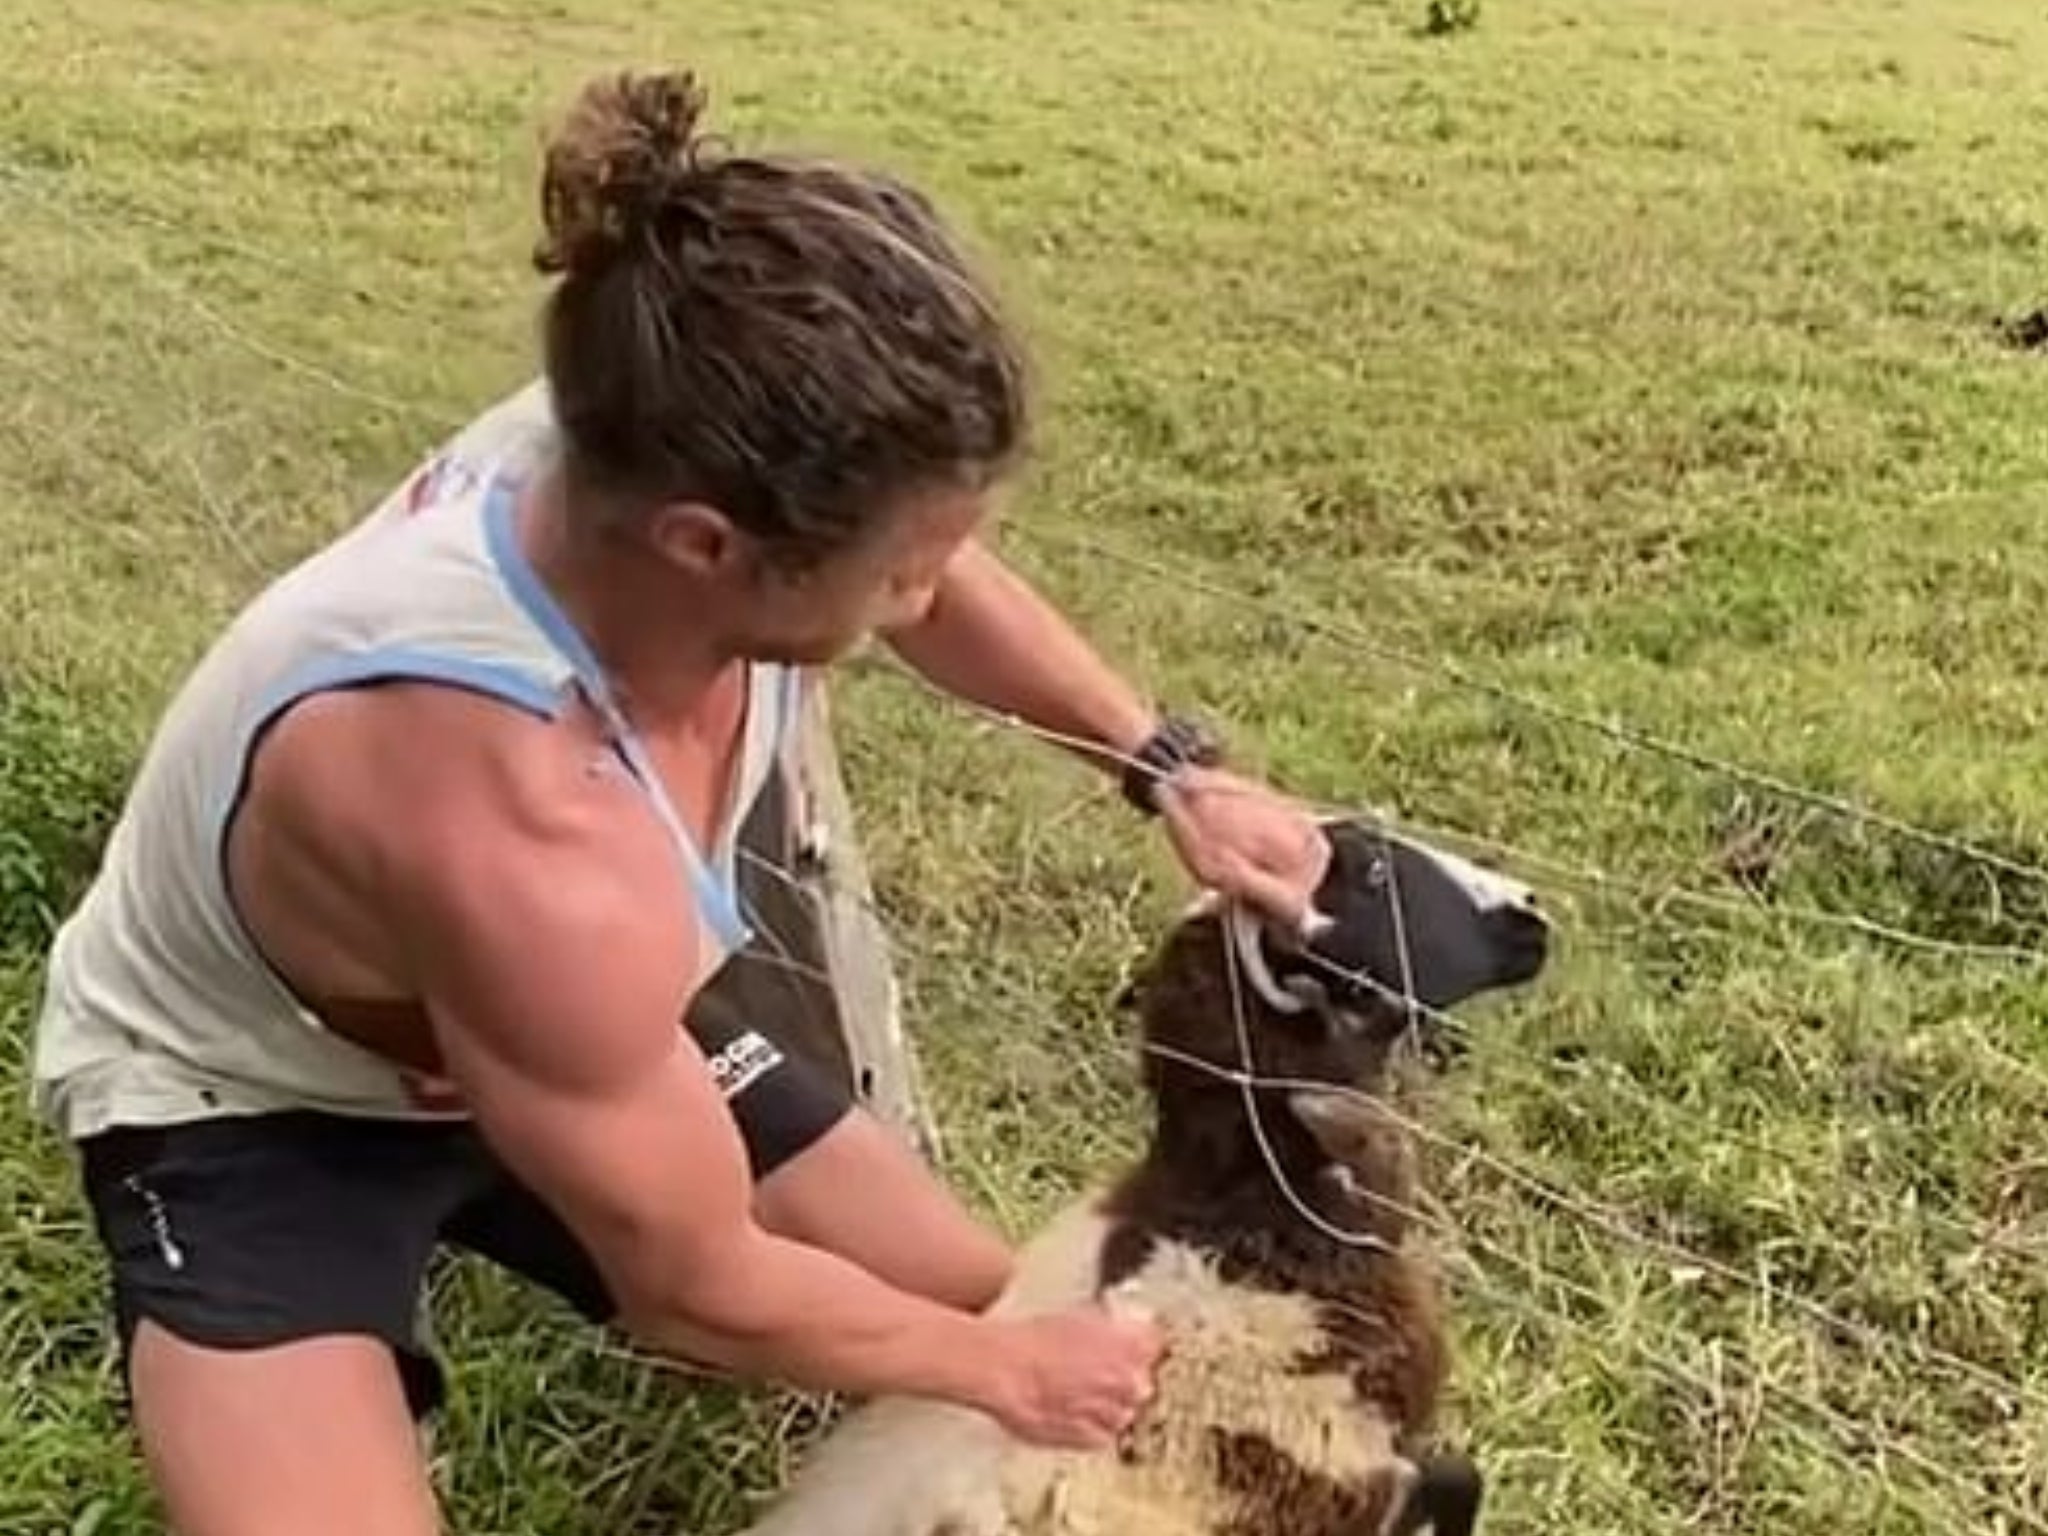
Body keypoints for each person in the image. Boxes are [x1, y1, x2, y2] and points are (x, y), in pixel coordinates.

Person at [28, 67, 1333, 1536]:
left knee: (982, 1295)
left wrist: (1162, 765)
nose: (930, 589)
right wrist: (1003, 1372)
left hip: (580, 1023)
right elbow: (695, 1293)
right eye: (908, 564)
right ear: (709, 545)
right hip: (254, 1095)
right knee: (985, 1349)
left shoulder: (646, 435)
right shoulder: (518, 815)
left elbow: (932, 578)